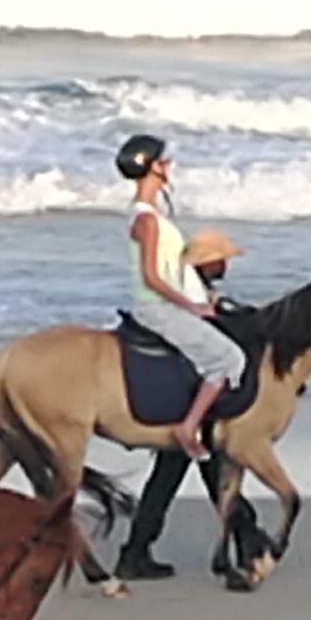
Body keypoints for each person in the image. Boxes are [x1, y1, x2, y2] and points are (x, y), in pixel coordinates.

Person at [119, 228, 241, 580]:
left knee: (168, 475)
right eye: (222, 259)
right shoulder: (192, 289)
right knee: (202, 470)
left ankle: (137, 549)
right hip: (189, 398)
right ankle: (243, 536)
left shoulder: (197, 286)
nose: (226, 265)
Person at [119, 133, 241, 458]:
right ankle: (188, 427)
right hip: (157, 307)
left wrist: (203, 296)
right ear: (152, 167)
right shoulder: (147, 220)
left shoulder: (154, 215)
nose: (169, 164)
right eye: (163, 160)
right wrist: (191, 307)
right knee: (229, 359)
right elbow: (152, 276)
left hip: (168, 302)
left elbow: (173, 269)